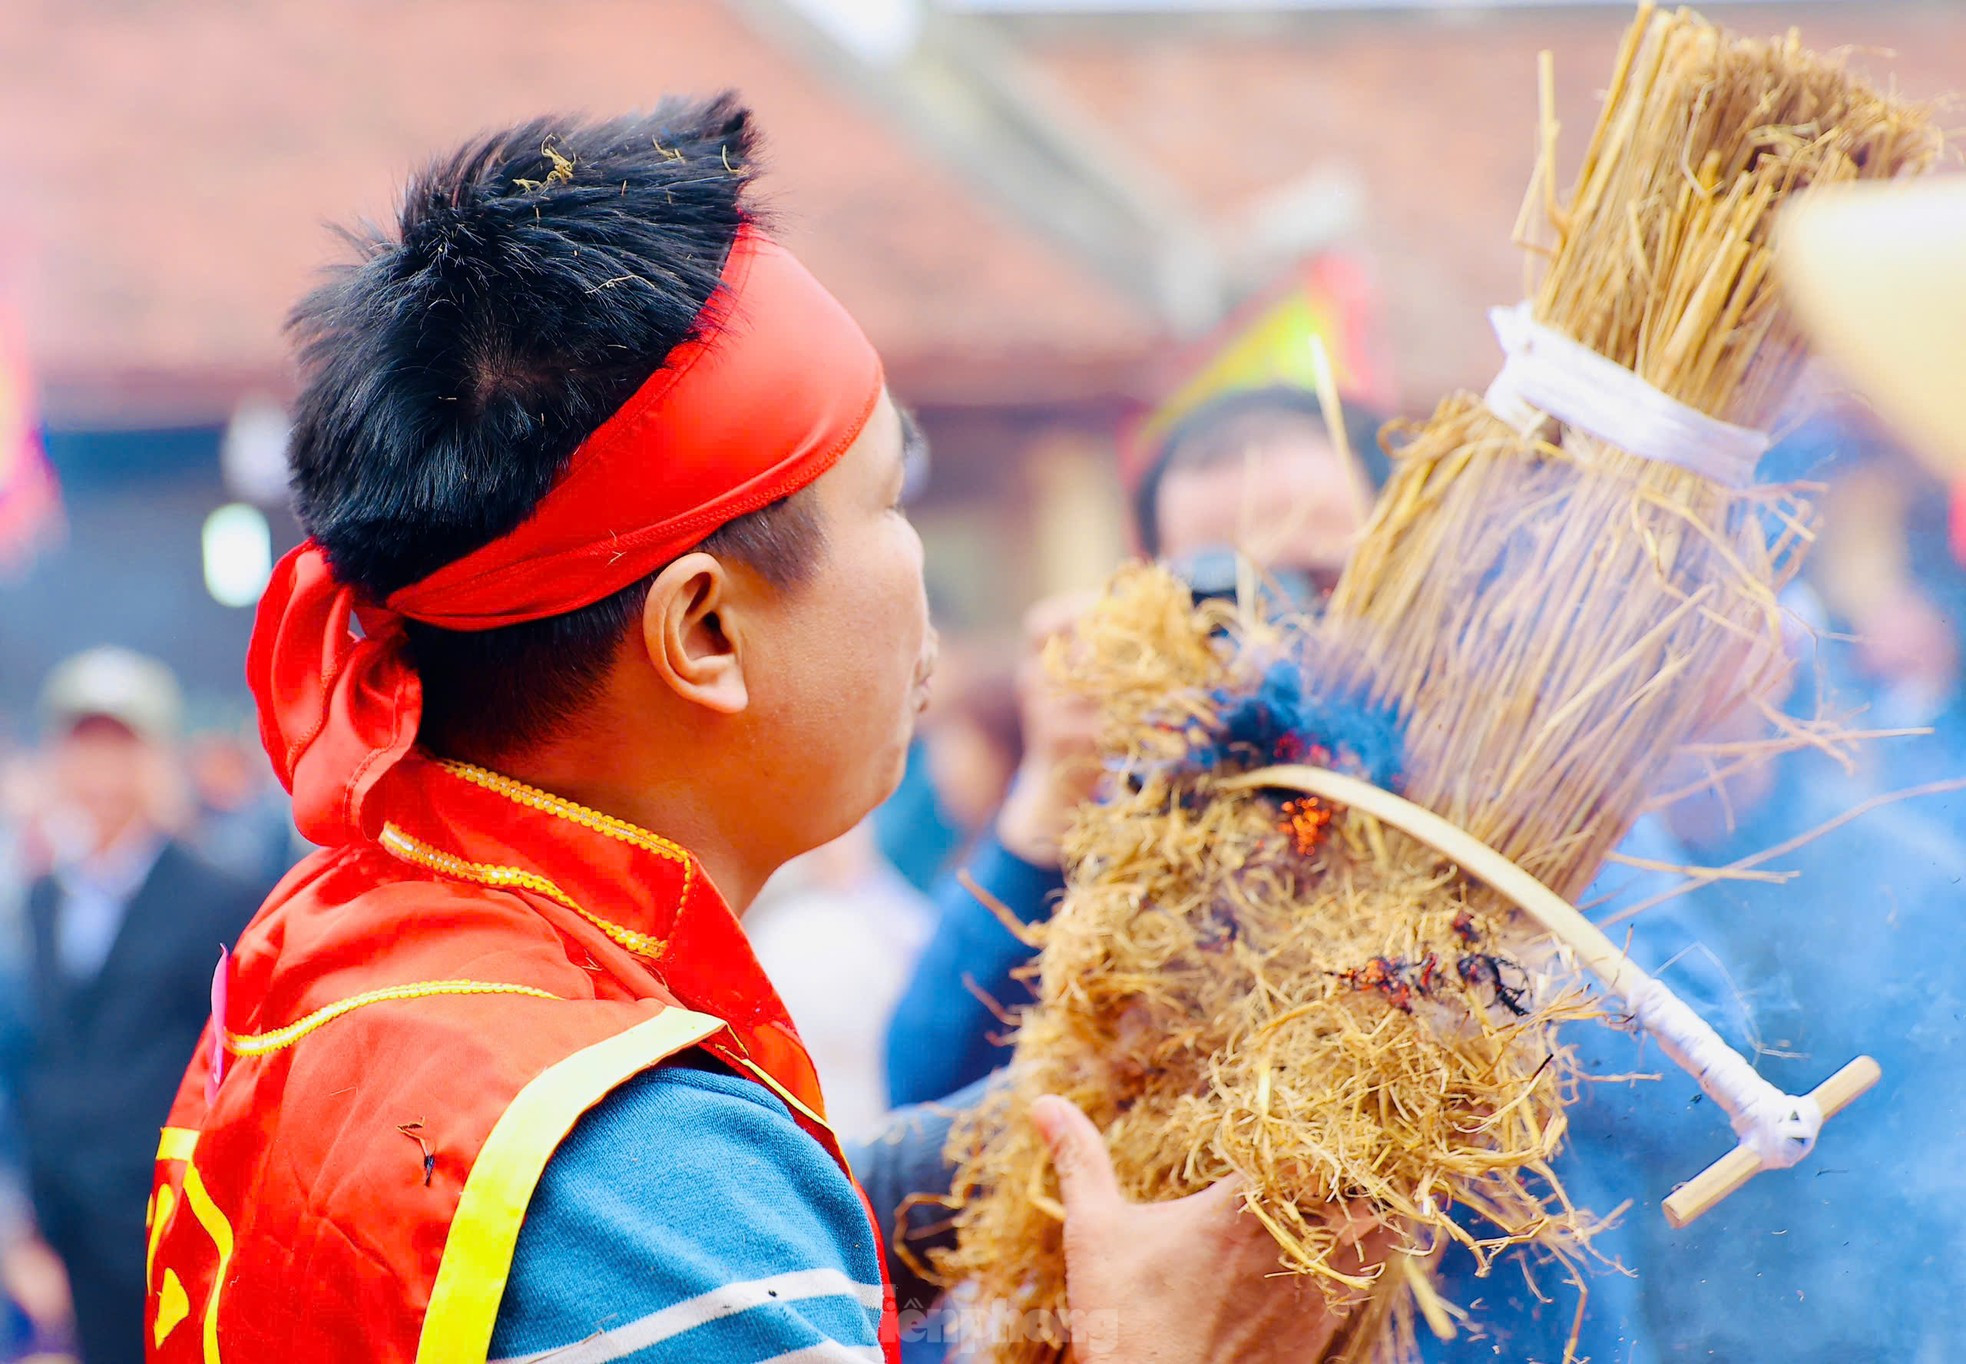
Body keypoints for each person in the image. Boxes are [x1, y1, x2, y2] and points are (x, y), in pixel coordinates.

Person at [142, 102, 1384, 1363]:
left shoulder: (340, 931)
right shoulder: (627, 1175)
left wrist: (1084, 1097)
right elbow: (675, 1229)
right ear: (707, 632)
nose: (919, 567)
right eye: (889, 500)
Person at [8, 649, 260, 1364]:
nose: (101, 773)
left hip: (168, 1230)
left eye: (120, 749)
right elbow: (43, 1057)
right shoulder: (43, 895)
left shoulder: (219, 895)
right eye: (83, 748)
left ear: (157, 759)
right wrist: (27, 1227)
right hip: (65, 1231)